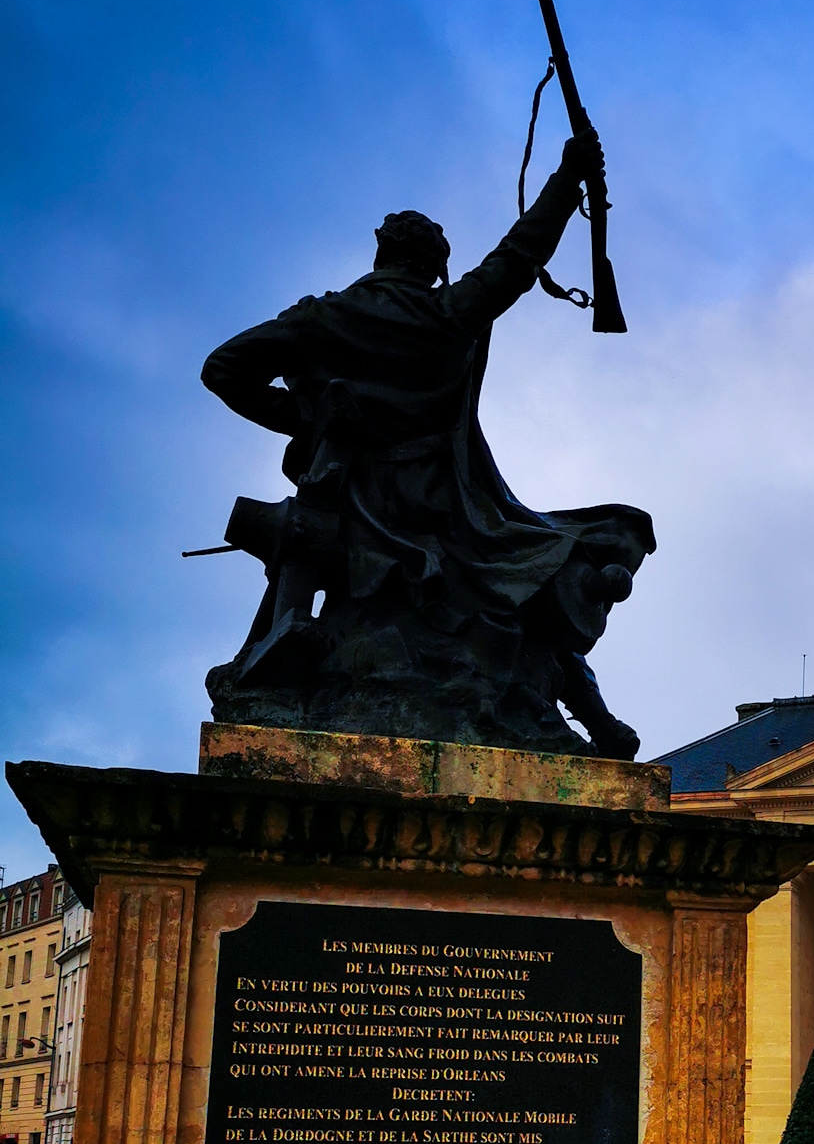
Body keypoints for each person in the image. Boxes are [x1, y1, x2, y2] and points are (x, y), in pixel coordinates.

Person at [200, 128, 650, 759]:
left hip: (353, 506)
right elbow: (519, 258)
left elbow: (221, 370)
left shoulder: (319, 320)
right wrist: (567, 177)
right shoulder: (449, 313)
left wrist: (306, 419)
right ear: (435, 267)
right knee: (560, 559)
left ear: (380, 257)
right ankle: (596, 724)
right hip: (448, 512)